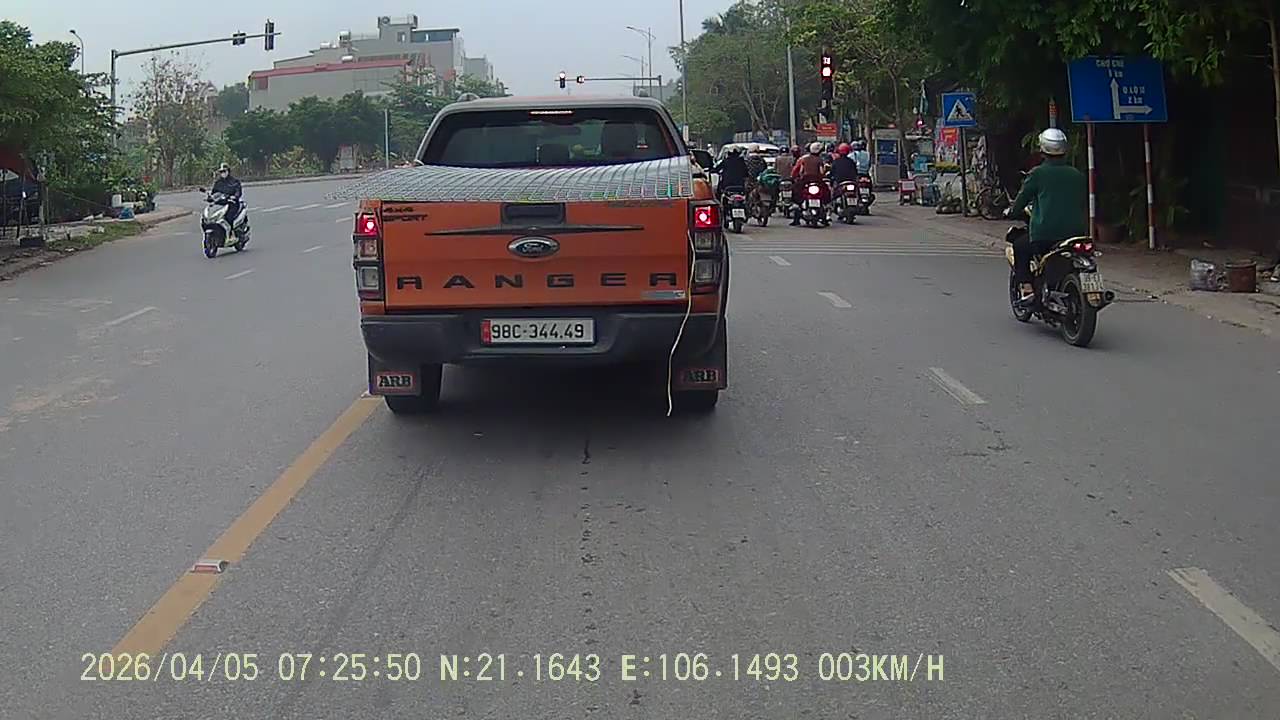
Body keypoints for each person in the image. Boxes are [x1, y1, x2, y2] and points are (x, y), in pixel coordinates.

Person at [1005, 128, 1088, 304]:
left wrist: (1012, 211)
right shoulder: (1077, 174)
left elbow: (1022, 199)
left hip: (1045, 234)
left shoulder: (1037, 174)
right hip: (1076, 234)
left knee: (1020, 246)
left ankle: (1027, 289)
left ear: (1042, 149)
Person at [790, 142, 829, 225]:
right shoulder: (819, 160)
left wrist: (797, 178)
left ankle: (796, 218)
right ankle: (825, 217)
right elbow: (822, 172)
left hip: (805, 180)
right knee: (826, 192)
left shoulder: (804, 159)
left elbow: (800, 171)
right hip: (818, 181)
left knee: (796, 193)